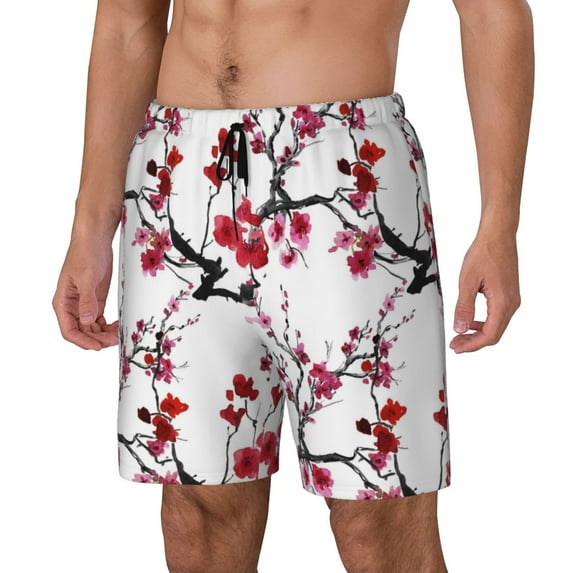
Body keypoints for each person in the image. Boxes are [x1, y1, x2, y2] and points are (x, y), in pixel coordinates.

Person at [52, 0, 534, 571]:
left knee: (376, 517)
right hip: (176, 176)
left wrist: (500, 225)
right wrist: (90, 226)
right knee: (198, 512)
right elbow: (127, 23)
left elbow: (492, 14)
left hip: (341, 179)